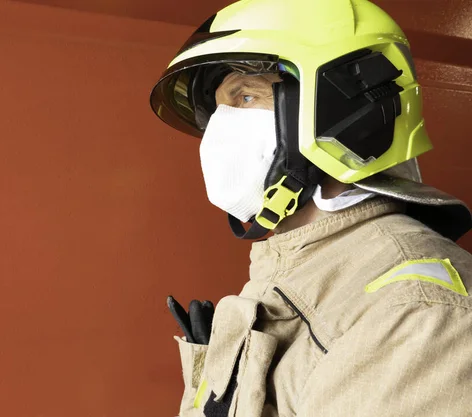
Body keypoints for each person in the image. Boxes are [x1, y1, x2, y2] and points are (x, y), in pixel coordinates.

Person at [149, 0, 472, 416]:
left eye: (245, 97)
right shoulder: (302, 265)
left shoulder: (415, 314)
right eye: (218, 111)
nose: (218, 133)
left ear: (341, 109)